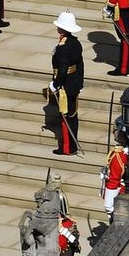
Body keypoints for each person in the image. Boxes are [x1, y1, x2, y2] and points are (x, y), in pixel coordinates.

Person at [48, 12, 83, 156]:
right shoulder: (76, 43)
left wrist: (55, 84)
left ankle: (67, 147)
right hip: (74, 83)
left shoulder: (64, 47)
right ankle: (72, 145)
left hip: (65, 86)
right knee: (72, 116)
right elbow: (80, 65)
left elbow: (62, 70)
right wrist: (80, 83)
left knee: (66, 117)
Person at [103, 122, 129, 216]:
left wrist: (108, 205)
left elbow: (114, 179)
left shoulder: (118, 155)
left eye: (116, 132)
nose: (114, 134)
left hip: (119, 191)